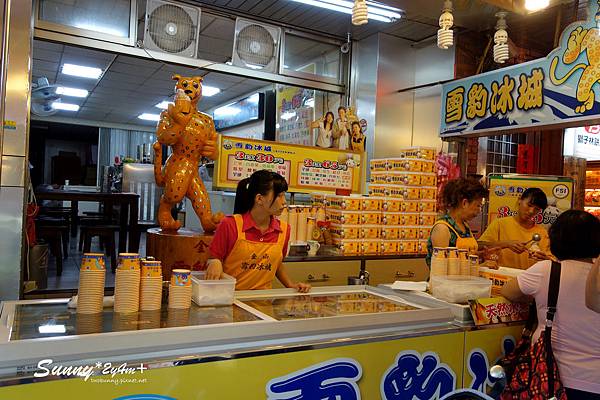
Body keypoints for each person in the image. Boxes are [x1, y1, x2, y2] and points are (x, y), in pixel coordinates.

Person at [501, 210, 600, 399]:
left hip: (550, 378)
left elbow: (508, 291)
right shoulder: (597, 280)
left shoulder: (546, 270)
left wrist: (538, 299)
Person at [206, 170, 311, 292]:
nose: (284, 201)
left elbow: (276, 263)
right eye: (279, 195)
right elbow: (213, 259)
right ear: (259, 199)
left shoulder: (284, 229)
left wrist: (291, 285)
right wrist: (214, 261)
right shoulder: (230, 225)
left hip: (262, 302)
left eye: (284, 195)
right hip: (230, 300)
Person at [478, 188, 550, 269]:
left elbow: (551, 260)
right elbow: (479, 246)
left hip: (529, 280)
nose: (531, 211)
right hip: (501, 277)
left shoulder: (542, 233)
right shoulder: (500, 224)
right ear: (519, 200)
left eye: (537, 209)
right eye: (529, 205)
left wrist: (546, 260)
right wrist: (506, 244)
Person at [426, 177, 489, 267]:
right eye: (478, 206)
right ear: (464, 203)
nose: (479, 211)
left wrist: (479, 256)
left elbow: (463, 257)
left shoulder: (465, 226)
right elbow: (442, 267)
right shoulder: (442, 228)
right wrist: (479, 267)